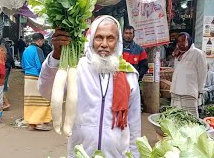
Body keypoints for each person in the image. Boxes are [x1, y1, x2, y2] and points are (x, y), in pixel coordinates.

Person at [39, 15, 141, 157]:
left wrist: (135, 155)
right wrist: (56, 55)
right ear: (91, 39)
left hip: (117, 154)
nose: (104, 44)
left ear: (118, 42)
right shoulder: (76, 68)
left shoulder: (129, 74)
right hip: (81, 151)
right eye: (99, 37)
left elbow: (134, 123)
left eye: (110, 38)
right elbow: (46, 91)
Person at [170, 32, 207, 117]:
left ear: (189, 41)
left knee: (190, 118)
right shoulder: (178, 54)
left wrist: (200, 90)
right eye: (179, 41)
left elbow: (202, 73)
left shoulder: (197, 53)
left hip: (189, 92)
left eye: (184, 41)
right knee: (176, 117)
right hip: (176, 91)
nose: (181, 43)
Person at [22, 33, 52, 131]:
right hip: (36, 77)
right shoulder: (38, 50)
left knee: (30, 101)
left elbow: (22, 64)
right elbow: (40, 66)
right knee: (43, 99)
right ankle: (40, 122)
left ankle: (31, 123)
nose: (42, 43)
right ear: (39, 40)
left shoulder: (26, 50)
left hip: (27, 77)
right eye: (42, 41)